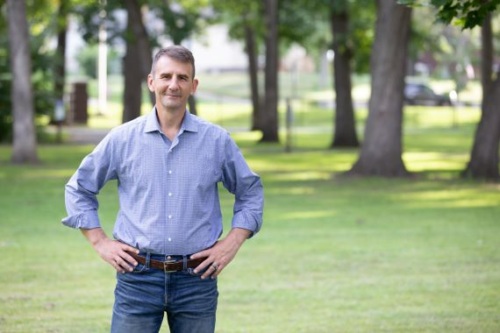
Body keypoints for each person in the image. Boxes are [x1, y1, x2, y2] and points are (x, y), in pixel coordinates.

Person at [62, 45, 264, 333]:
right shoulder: (122, 139)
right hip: (137, 278)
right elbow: (79, 188)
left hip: (197, 278)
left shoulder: (217, 141)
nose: (173, 85)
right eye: (166, 76)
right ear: (151, 81)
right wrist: (100, 242)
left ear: (193, 86)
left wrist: (232, 243)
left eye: (182, 78)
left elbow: (251, 192)